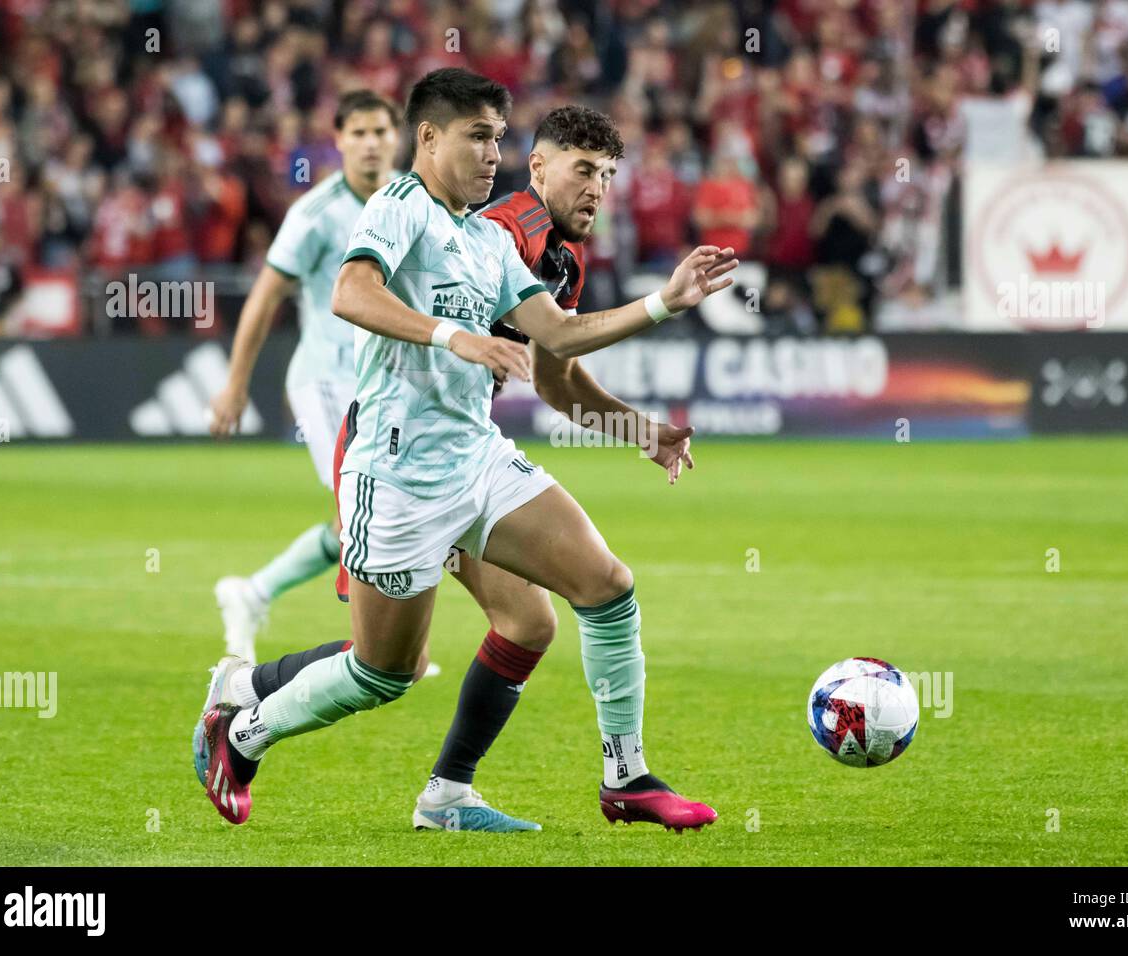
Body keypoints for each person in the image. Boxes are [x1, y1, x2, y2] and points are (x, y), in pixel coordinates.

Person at [195, 68, 736, 831]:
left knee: (601, 589)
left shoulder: (493, 241)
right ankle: (243, 723)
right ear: (431, 138)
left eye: (497, 139)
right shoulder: (408, 206)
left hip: (474, 455)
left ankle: (624, 779)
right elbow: (350, 293)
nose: (492, 154)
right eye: (480, 137)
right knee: (386, 671)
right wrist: (458, 336)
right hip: (396, 465)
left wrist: (661, 319)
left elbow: (556, 355)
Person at [206, 90, 435, 672]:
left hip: (385, 383)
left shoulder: (413, 200)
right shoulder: (314, 213)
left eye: (380, 131)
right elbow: (264, 298)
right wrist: (235, 384)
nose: (370, 142)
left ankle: (253, 592)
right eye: (356, 132)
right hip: (328, 382)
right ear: (338, 141)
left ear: (397, 137)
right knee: (364, 509)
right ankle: (378, 648)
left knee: (380, 509)